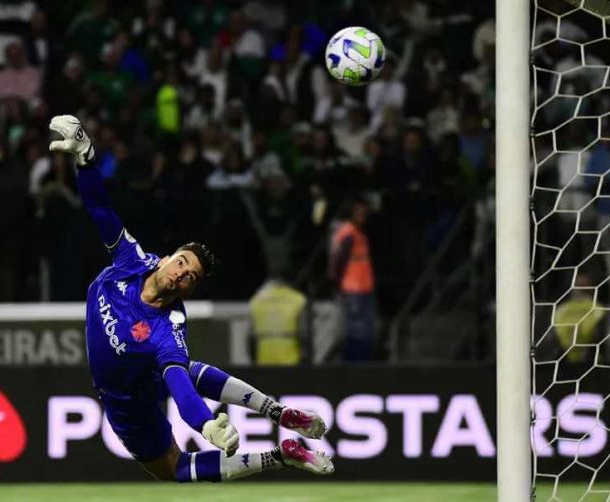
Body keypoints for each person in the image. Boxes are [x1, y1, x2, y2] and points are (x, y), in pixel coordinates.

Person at [47, 115, 333, 482]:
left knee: (175, 470)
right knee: (186, 372)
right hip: (136, 372)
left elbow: (180, 390)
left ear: (189, 289)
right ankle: (279, 413)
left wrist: (205, 425)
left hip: (128, 402)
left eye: (190, 277)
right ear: (166, 257)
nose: (181, 273)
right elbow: (100, 208)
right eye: (181, 263)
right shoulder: (131, 260)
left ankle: (281, 455)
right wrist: (86, 156)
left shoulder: (167, 331)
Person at [329, 197, 377, 361]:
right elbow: (339, 261)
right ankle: (356, 362)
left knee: (362, 328)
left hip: (362, 287)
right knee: (357, 329)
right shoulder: (349, 233)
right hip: (353, 288)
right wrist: (338, 284)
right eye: (359, 212)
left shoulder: (356, 233)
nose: (363, 216)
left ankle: (359, 360)